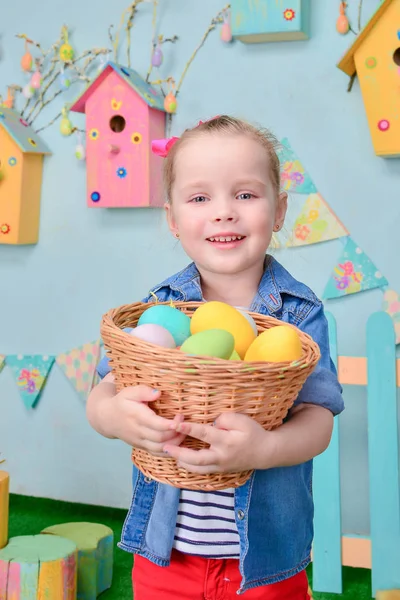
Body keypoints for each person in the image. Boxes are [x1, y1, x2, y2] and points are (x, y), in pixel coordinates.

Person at [87, 115, 344, 599]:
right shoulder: (162, 307)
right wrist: (113, 416)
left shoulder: (298, 314)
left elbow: (319, 420)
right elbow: (104, 389)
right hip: (168, 555)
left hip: (265, 561)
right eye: (200, 198)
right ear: (173, 218)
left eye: (245, 195)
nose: (224, 212)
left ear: (280, 208)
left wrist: (263, 450)